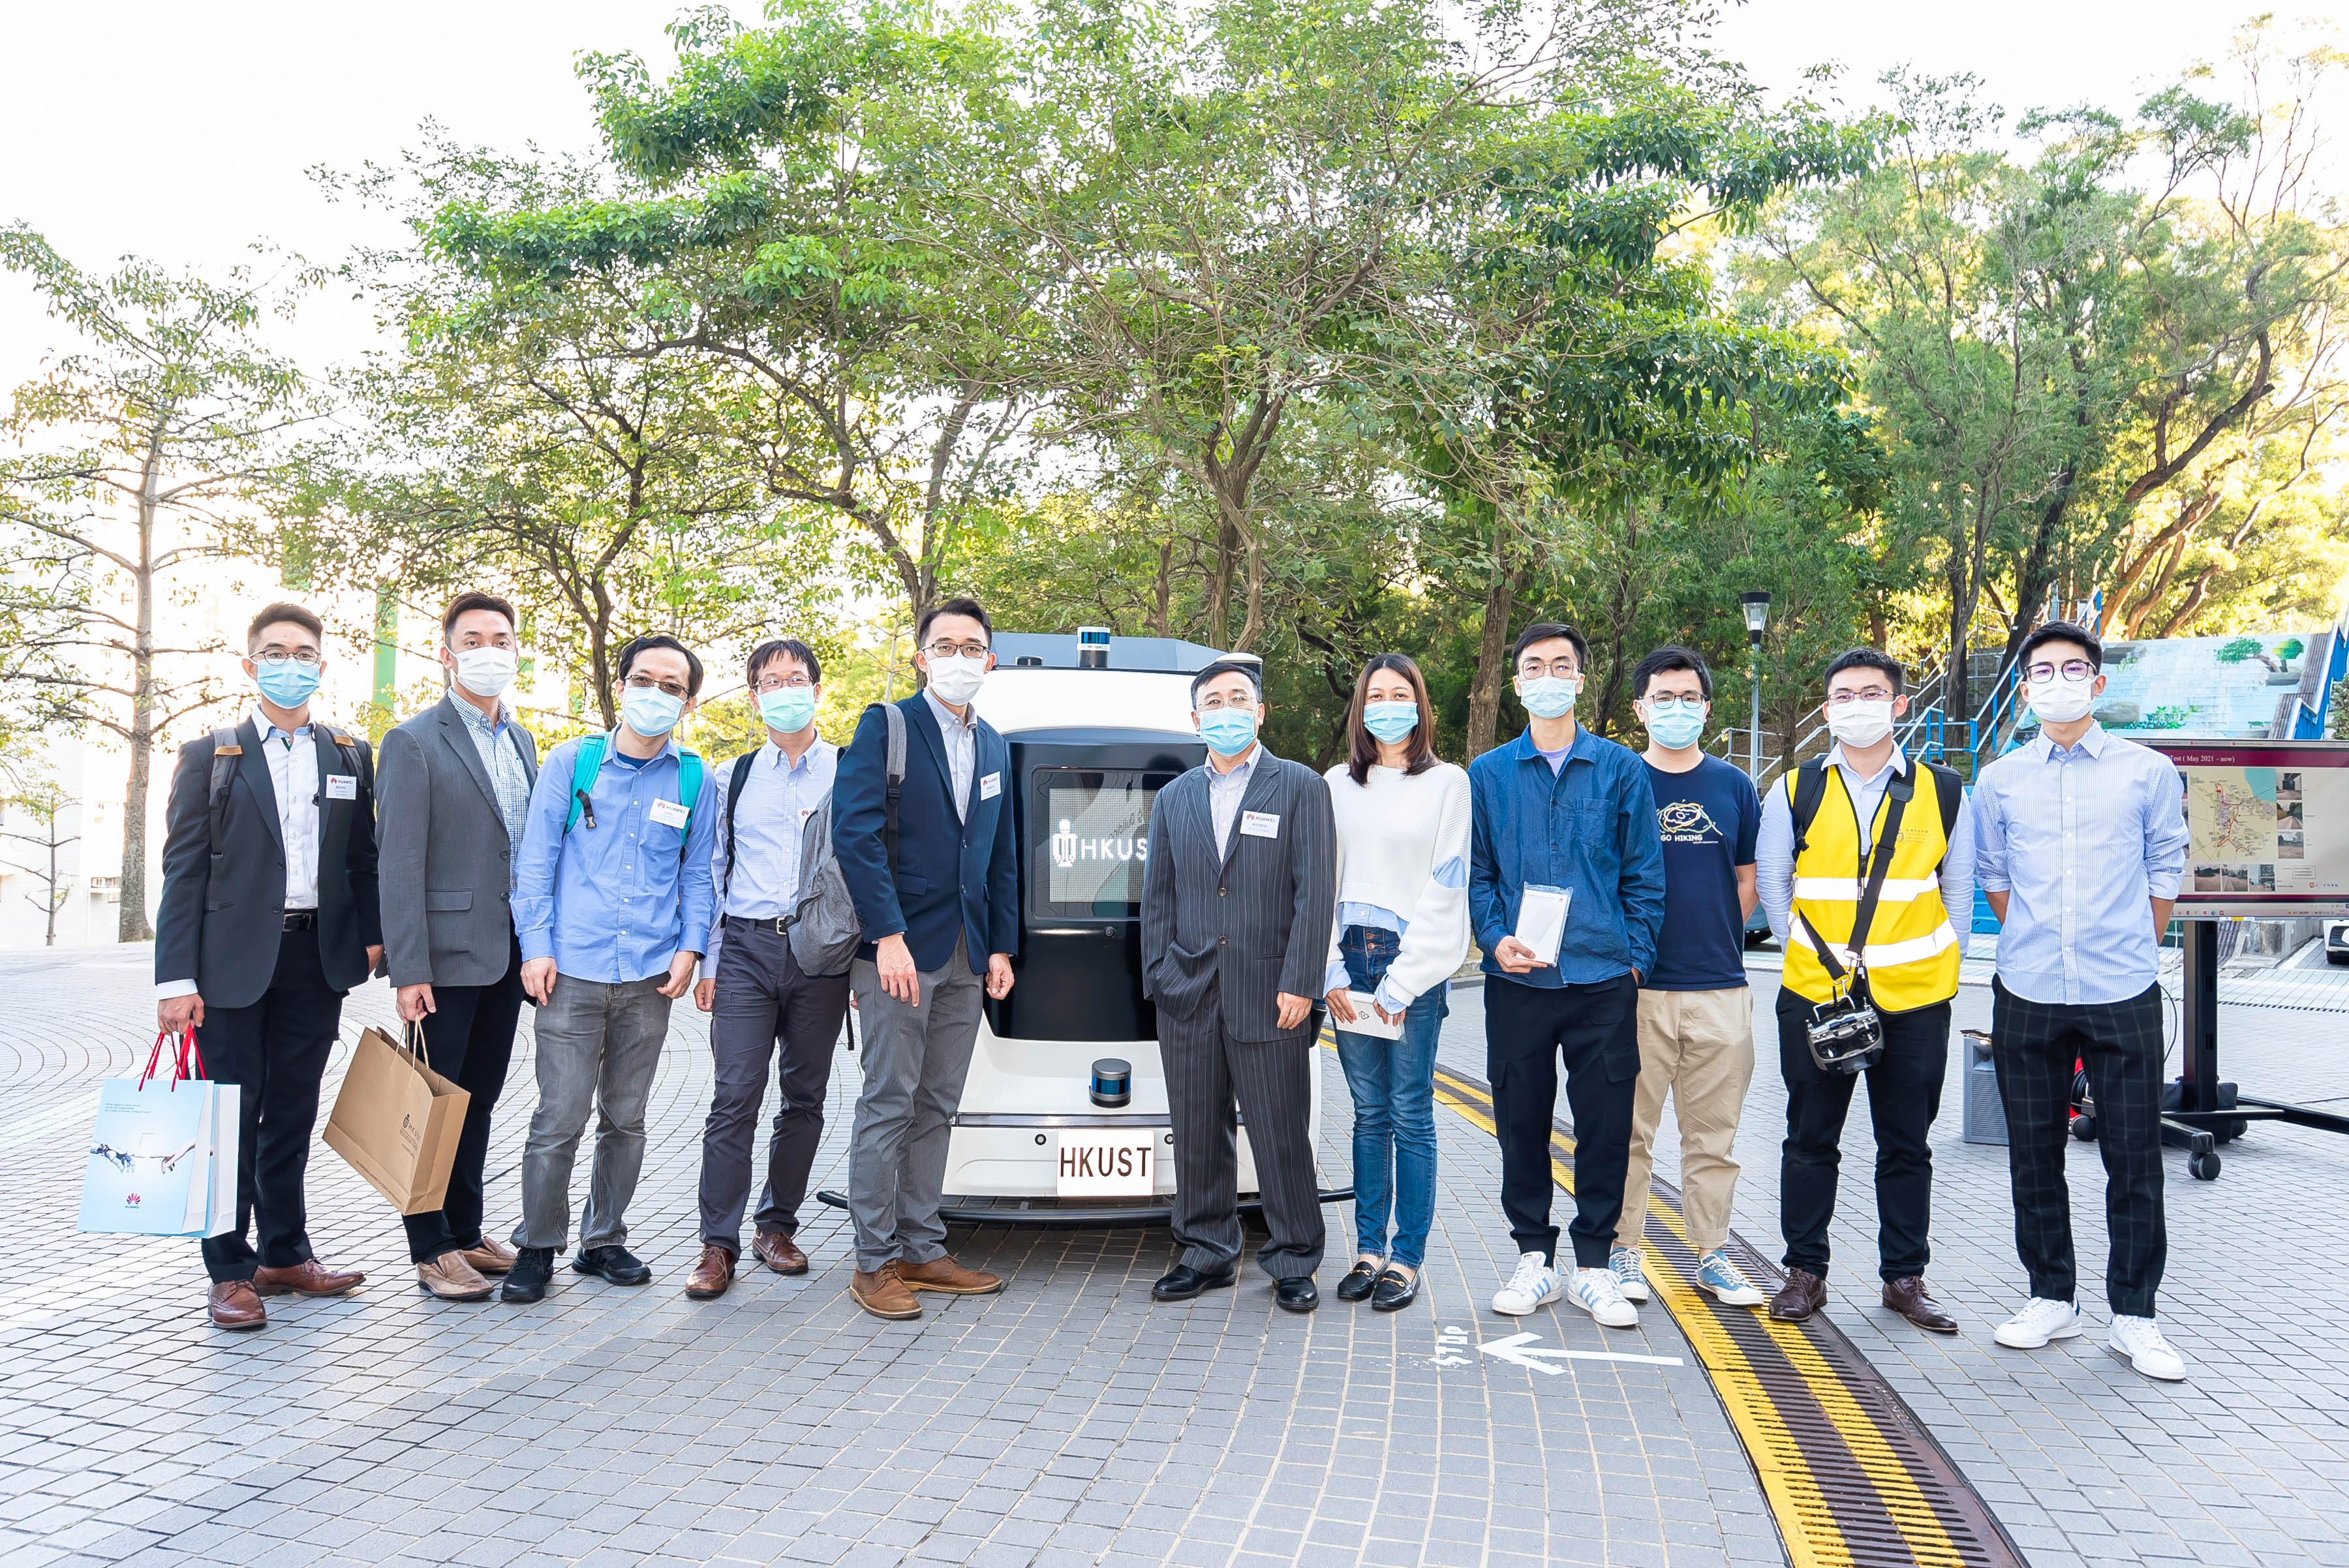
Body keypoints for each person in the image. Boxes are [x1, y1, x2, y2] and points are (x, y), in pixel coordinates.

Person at [155, 602, 382, 1330]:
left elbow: (363, 861)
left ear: (321, 665)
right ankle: (229, 1269)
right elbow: (183, 873)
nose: (292, 664)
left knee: (290, 1112)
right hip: (228, 966)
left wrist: (375, 940)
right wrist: (175, 980)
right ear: (251, 666)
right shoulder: (210, 757)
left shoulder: (349, 752)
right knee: (228, 1116)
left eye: (305, 653)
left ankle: (284, 1252)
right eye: (276, 652)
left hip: (315, 959)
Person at [1974, 621, 2191, 1381]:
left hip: (2122, 987)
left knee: (2134, 1159)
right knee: (2034, 1155)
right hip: (2028, 987)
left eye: (2074, 669)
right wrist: (2040, 941)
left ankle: (2135, 1316)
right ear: (2025, 688)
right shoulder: (2000, 779)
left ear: (2099, 685)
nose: (2057, 680)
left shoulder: (2147, 771)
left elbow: (2166, 867)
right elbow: (1995, 878)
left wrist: (2127, 940)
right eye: (2042, 671)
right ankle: (2050, 1297)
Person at [1757, 647, 1973, 1332]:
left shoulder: (1942, 789)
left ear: (1900, 703)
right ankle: (1804, 1273)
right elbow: (1773, 884)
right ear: (1828, 711)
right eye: (1843, 695)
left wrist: (1941, 960)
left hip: (1916, 997)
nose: (1857, 704)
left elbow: (1958, 888)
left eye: (1872, 692)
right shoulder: (1795, 790)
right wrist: (1812, 950)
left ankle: (1904, 1278)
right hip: (1817, 994)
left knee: (1906, 1142)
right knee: (1809, 1137)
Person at [502, 634, 717, 1304]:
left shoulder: (694, 778)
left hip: (651, 978)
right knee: (559, 1117)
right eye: (645, 680)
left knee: (626, 1118)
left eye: (673, 687)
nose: (657, 695)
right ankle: (538, 1243)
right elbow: (534, 861)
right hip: (571, 971)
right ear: (622, 685)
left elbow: (699, 875)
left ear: (687, 702)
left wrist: (691, 949)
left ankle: (604, 1240)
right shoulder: (574, 762)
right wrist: (535, 947)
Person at [1468, 622, 1665, 1328]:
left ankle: (1593, 1263)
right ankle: (1532, 1257)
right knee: (1519, 1119)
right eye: (1533, 666)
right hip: (1518, 982)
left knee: (1606, 1125)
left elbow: (1644, 873)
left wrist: (1635, 958)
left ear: (1581, 681)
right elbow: (1481, 874)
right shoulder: (1488, 774)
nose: (1547, 676)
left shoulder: (1620, 769)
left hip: (1602, 978)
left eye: (1561, 666)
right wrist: (1493, 940)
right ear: (1517, 682)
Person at [833, 597, 1019, 1320]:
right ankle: (873, 1262)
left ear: (990, 661)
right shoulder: (887, 725)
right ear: (921, 657)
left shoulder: (997, 744)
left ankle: (921, 1245)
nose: (960, 658)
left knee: (938, 1102)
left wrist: (1000, 943)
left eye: (973, 647)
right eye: (946, 646)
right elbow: (856, 836)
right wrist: (887, 937)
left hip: (967, 953)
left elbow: (998, 851)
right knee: (889, 1101)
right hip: (899, 952)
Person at [1141, 658, 1337, 1312]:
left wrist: (1301, 982)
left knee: (1281, 1134)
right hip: (1188, 993)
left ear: (1259, 712)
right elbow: (1159, 898)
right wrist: (1162, 976)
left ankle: (1294, 1256)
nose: (1226, 711)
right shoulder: (1174, 798)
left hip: (1272, 992)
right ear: (1196, 719)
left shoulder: (1301, 787)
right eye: (1213, 702)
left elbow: (1315, 894)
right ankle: (1206, 1252)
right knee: (1197, 1133)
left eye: (1239, 699)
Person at [376, 591, 540, 1303]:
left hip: (507, 952)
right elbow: (398, 861)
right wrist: (408, 968)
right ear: (446, 653)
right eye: (472, 638)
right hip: (441, 958)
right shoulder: (414, 741)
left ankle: (468, 1230)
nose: (488, 649)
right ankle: (430, 1245)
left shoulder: (524, 740)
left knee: (479, 1099)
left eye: (500, 637)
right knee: (432, 1103)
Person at [684, 638, 851, 1301]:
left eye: (796, 678)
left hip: (822, 955)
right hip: (748, 952)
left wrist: (862, 960)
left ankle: (776, 1226)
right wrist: (709, 960)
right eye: (770, 681)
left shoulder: (848, 769)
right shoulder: (733, 777)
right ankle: (716, 1244)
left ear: (816, 687)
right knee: (735, 1098)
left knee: (805, 1099)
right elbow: (711, 873)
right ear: (753, 696)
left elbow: (868, 867)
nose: (785, 690)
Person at [1611, 647, 1767, 1310]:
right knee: (1627, 1134)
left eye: (1688, 698)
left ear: (1707, 707)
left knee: (1713, 1138)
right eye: (1662, 698)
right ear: (1641, 708)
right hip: (1637, 989)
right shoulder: (1619, 780)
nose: (1676, 709)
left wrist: (1710, 936)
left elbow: (1749, 879)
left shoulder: (1733, 786)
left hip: (1720, 991)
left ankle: (1712, 1254)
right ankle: (1623, 1253)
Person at [1321, 654, 1469, 1314]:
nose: (1387, 705)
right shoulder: (1336, 784)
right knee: (1367, 1114)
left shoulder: (1448, 784)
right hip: (1350, 961)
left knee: (1410, 1112)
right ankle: (1366, 1250)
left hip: (1414, 961)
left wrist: (1404, 982)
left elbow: (1449, 884)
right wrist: (1329, 968)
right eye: (1374, 694)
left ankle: (1406, 1259)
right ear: (1360, 708)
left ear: (1419, 704)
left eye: (1399, 693)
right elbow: (1321, 881)